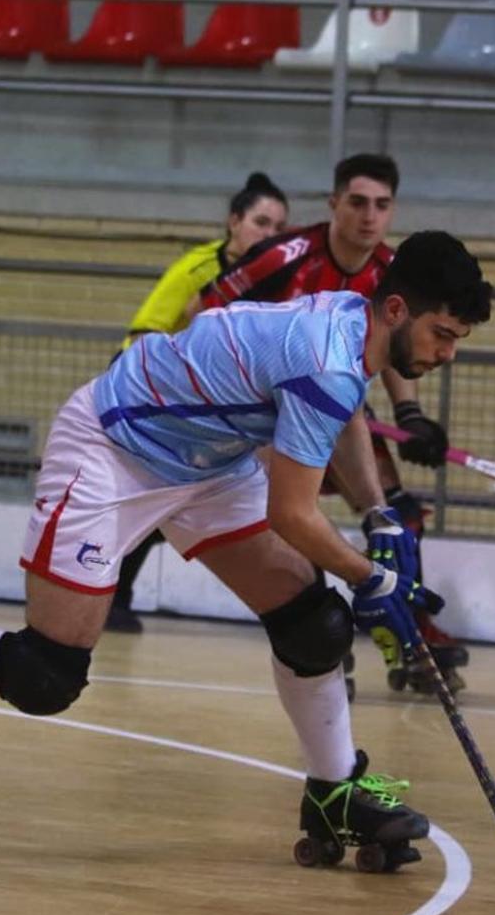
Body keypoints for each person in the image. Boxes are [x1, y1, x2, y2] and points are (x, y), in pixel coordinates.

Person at [0, 232, 494, 875]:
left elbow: (344, 420)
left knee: (316, 625)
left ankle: (334, 790)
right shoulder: (327, 357)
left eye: (457, 339)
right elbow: (293, 512)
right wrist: (371, 576)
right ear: (395, 309)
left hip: (209, 465)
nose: (447, 354)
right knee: (45, 673)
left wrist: (377, 514)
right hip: (114, 449)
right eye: (442, 334)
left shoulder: (349, 323)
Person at [199, 153, 467, 696]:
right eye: (358, 202)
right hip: (265, 411)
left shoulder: (395, 272)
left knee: (398, 518)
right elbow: (204, 309)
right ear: (334, 204)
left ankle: (407, 637)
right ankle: (326, 645)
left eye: (382, 205)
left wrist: (411, 416)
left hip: (340, 406)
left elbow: (396, 350)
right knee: (296, 516)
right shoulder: (284, 255)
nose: (369, 217)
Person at [105, 172, 289, 634]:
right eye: (260, 223)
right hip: (160, 400)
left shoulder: (283, 279)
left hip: (225, 413)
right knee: (161, 501)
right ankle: (109, 594)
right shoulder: (196, 269)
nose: (269, 235)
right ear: (234, 222)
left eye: (278, 228)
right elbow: (141, 337)